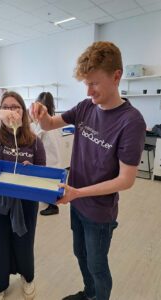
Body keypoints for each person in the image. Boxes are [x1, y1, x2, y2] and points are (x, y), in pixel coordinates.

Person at [30, 41, 146, 300]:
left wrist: (78, 192)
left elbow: (126, 180)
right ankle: (89, 293)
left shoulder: (131, 121)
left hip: (99, 211)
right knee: (80, 254)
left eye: (94, 82)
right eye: (85, 83)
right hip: (77, 202)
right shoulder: (85, 107)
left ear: (116, 76)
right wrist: (41, 112)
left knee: (97, 265)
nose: (89, 90)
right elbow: (48, 124)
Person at [0, 91, 46, 300]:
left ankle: (27, 277)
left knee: (24, 242)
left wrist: (32, 170)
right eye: (6, 107)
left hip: (24, 201)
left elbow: (42, 172)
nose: (11, 111)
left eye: (16, 107)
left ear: (23, 111)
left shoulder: (34, 141)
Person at [31, 92, 61, 216]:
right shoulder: (55, 119)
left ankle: (53, 206)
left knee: (49, 182)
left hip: (49, 157)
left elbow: (35, 138)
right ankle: (52, 201)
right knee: (53, 181)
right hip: (55, 155)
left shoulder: (41, 124)